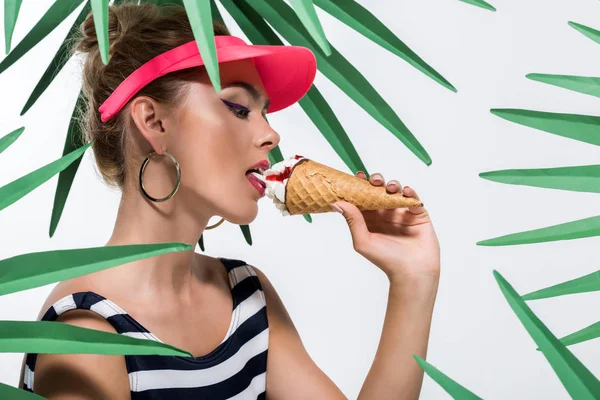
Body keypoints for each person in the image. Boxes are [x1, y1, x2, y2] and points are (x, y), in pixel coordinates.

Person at [17, 2, 440, 399]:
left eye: (265, 112)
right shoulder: (85, 335)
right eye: (238, 108)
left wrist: (413, 282)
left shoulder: (246, 295)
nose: (271, 135)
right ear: (153, 121)